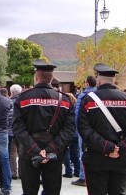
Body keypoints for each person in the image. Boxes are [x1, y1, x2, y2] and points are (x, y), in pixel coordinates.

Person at [78, 63, 126, 195]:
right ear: (114, 80)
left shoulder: (88, 100)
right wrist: (123, 146)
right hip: (122, 158)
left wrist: (106, 146)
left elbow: (84, 129)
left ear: (98, 80)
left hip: (97, 157)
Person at [13, 60, 75, 195]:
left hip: (29, 151)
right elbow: (69, 130)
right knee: (52, 191)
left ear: (36, 77)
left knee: (29, 191)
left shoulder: (23, 98)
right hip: (54, 153)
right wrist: (50, 150)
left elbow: (18, 127)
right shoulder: (64, 100)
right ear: (51, 78)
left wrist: (34, 149)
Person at [72, 75, 96, 187]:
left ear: (87, 83)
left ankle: (83, 177)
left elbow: (77, 115)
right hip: (97, 130)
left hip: (84, 129)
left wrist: (77, 129)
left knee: (83, 153)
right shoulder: (99, 94)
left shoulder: (83, 96)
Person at [63, 93, 80, 179]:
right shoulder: (77, 107)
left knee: (66, 152)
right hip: (76, 133)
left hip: (68, 133)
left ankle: (68, 171)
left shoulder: (66, 108)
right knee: (76, 152)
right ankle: (77, 171)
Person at [9, 84, 23, 180]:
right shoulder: (24, 101)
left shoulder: (9, 102)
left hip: (11, 130)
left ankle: (13, 172)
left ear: (12, 92)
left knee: (12, 152)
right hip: (22, 131)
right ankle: (22, 172)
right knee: (22, 151)